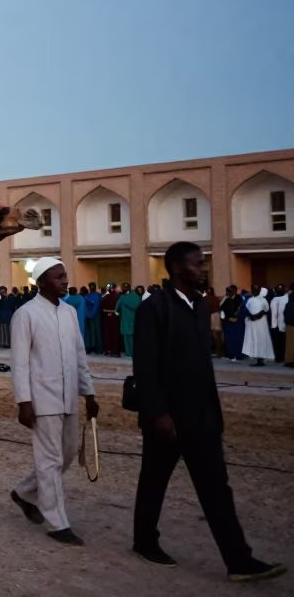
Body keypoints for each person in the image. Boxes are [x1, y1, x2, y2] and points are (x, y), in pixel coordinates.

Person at [131, 242, 286, 582]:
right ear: (175, 268)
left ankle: (239, 561)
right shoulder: (154, 307)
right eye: (197, 264)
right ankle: (144, 541)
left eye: (204, 264)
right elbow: (145, 366)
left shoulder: (200, 307)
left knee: (217, 487)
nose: (203, 269)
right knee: (154, 482)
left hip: (201, 417)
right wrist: (159, 413)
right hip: (166, 420)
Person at [9, 257, 98, 546]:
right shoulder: (26, 314)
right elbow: (20, 362)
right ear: (43, 281)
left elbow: (79, 354)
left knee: (67, 454)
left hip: (69, 395)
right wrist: (24, 401)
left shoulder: (71, 312)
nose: (65, 280)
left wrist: (89, 392)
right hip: (41, 398)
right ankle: (58, 522)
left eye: (65, 276)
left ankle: (23, 491)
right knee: (49, 460)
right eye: (59, 276)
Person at [241, 288, 274, 367]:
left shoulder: (260, 300)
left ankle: (260, 359)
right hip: (256, 322)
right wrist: (253, 315)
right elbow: (248, 309)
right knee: (256, 339)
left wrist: (255, 315)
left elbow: (266, 309)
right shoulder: (253, 300)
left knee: (259, 339)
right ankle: (257, 358)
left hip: (259, 322)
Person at [219, 286, 245, 361]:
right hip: (229, 323)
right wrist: (227, 318)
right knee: (230, 340)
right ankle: (231, 355)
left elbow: (242, 310)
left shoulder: (240, 299)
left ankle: (238, 355)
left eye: (231, 291)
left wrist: (237, 318)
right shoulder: (226, 300)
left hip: (238, 323)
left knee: (238, 339)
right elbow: (221, 310)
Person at [117, 284, 142, 358]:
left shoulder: (122, 297)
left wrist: (117, 313)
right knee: (134, 337)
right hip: (135, 319)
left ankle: (129, 352)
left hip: (125, 320)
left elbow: (117, 308)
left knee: (127, 338)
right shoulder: (136, 296)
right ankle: (135, 351)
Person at [100, 284, 121, 356]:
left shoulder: (105, 297)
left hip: (107, 318)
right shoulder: (118, 297)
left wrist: (108, 312)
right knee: (114, 334)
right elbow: (119, 309)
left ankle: (108, 350)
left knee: (107, 334)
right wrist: (114, 312)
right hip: (115, 318)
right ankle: (115, 351)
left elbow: (102, 309)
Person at [269, 285, 287, 364]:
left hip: (277, 325)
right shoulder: (287, 298)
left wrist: (273, 326)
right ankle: (282, 356)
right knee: (283, 342)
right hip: (284, 324)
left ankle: (279, 357)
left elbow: (274, 314)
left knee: (278, 343)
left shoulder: (275, 299)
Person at [206, 286, 223, 357]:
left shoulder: (206, 299)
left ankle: (217, 351)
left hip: (212, 316)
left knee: (214, 335)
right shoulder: (216, 298)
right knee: (218, 335)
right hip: (217, 315)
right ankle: (219, 351)